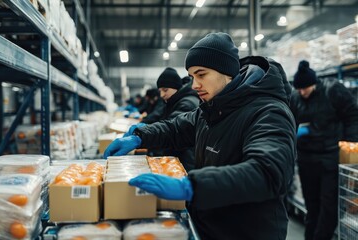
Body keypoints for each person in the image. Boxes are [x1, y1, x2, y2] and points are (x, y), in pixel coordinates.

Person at [104, 32, 296, 239]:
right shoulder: (212, 109)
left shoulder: (268, 112)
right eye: (192, 77)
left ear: (227, 72)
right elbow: (176, 128)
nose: (194, 85)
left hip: (247, 231)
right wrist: (140, 136)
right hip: (211, 225)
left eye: (201, 74)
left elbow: (266, 173)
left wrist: (193, 186)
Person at [290, 60, 358, 240]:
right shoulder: (296, 98)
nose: (302, 92)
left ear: (314, 83)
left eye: (305, 88)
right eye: (299, 89)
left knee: (329, 207)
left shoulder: (332, 91)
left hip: (330, 159)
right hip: (306, 161)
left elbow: (353, 114)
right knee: (312, 207)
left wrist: (349, 145)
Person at [152, 67, 200, 170]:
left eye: (165, 90)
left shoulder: (186, 104)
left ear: (176, 87)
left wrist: (144, 135)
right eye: (160, 91)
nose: (162, 95)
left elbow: (171, 129)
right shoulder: (173, 101)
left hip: (185, 162)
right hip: (178, 159)